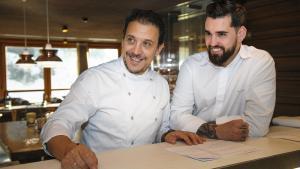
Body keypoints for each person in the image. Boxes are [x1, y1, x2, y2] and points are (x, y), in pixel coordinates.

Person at [41, 9, 205, 169]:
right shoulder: (94, 78)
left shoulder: (161, 84)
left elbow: (160, 127)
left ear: (158, 50)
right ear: (123, 40)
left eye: (146, 44)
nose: (135, 51)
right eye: (131, 40)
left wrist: (168, 134)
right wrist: (69, 150)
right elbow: (58, 122)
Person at [170, 0, 276, 142]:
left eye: (221, 34)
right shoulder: (191, 65)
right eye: (208, 34)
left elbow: (258, 126)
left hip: (243, 152)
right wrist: (218, 131)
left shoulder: (260, 62)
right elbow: (176, 117)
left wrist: (198, 124)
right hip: (196, 147)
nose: (212, 43)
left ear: (241, 34)